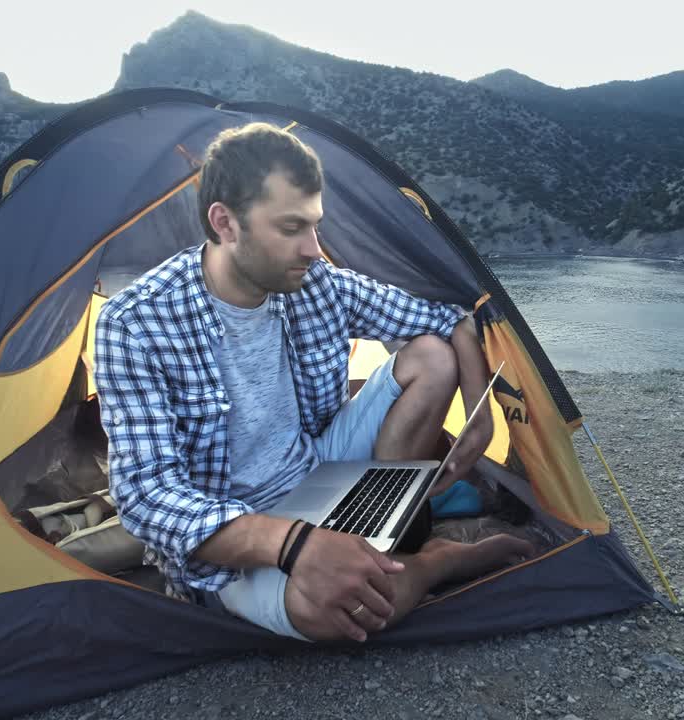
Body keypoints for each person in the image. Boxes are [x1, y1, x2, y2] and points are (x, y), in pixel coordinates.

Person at [94, 123, 532, 643]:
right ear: (225, 222)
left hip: (313, 463)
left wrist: (479, 416)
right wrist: (294, 545)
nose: (313, 248)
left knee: (432, 359)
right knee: (344, 612)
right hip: (233, 525)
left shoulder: (311, 282)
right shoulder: (136, 322)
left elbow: (449, 319)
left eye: (316, 226)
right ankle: (439, 561)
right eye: (291, 228)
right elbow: (146, 495)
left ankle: (388, 533)